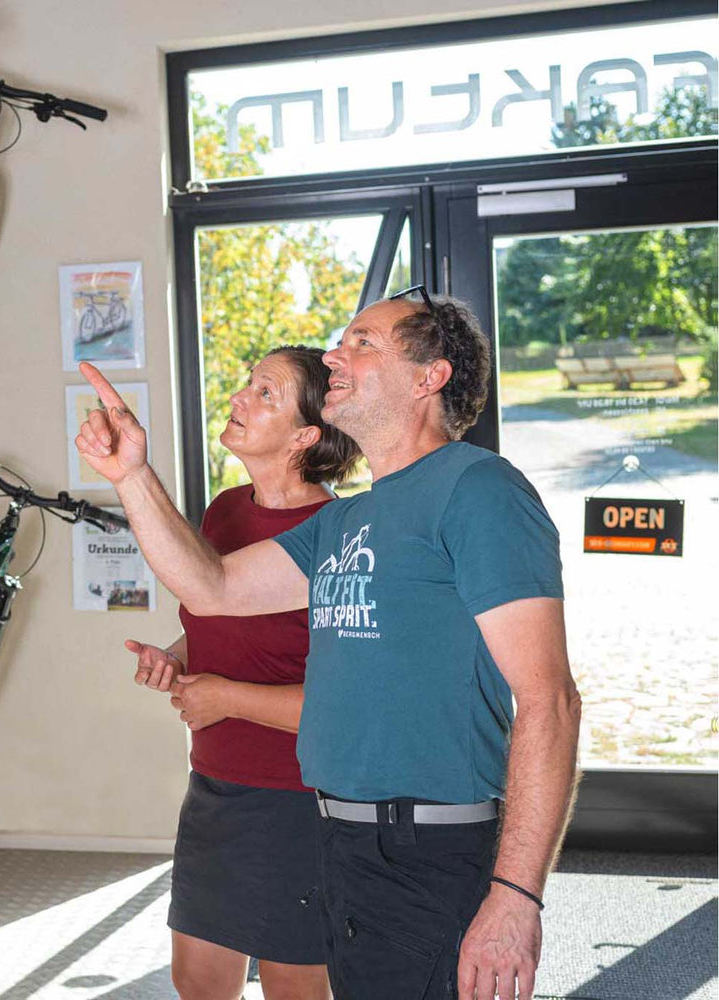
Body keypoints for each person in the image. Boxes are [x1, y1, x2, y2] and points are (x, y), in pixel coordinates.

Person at [76, 289, 581, 1000]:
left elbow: (549, 700)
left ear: (429, 377)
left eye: (364, 343)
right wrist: (131, 474)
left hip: (432, 850)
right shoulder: (350, 522)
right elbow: (212, 588)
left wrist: (516, 894)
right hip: (340, 840)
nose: (337, 356)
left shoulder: (478, 489)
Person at [127, 346, 360, 1000]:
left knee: (296, 987)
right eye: (247, 383)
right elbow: (224, 618)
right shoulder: (225, 511)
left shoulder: (339, 534)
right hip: (215, 786)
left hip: (301, 800)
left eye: (265, 394)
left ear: (305, 435)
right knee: (196, 980)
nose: (239, 398)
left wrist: (225, 695)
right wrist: (179, 657)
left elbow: (343, 703)